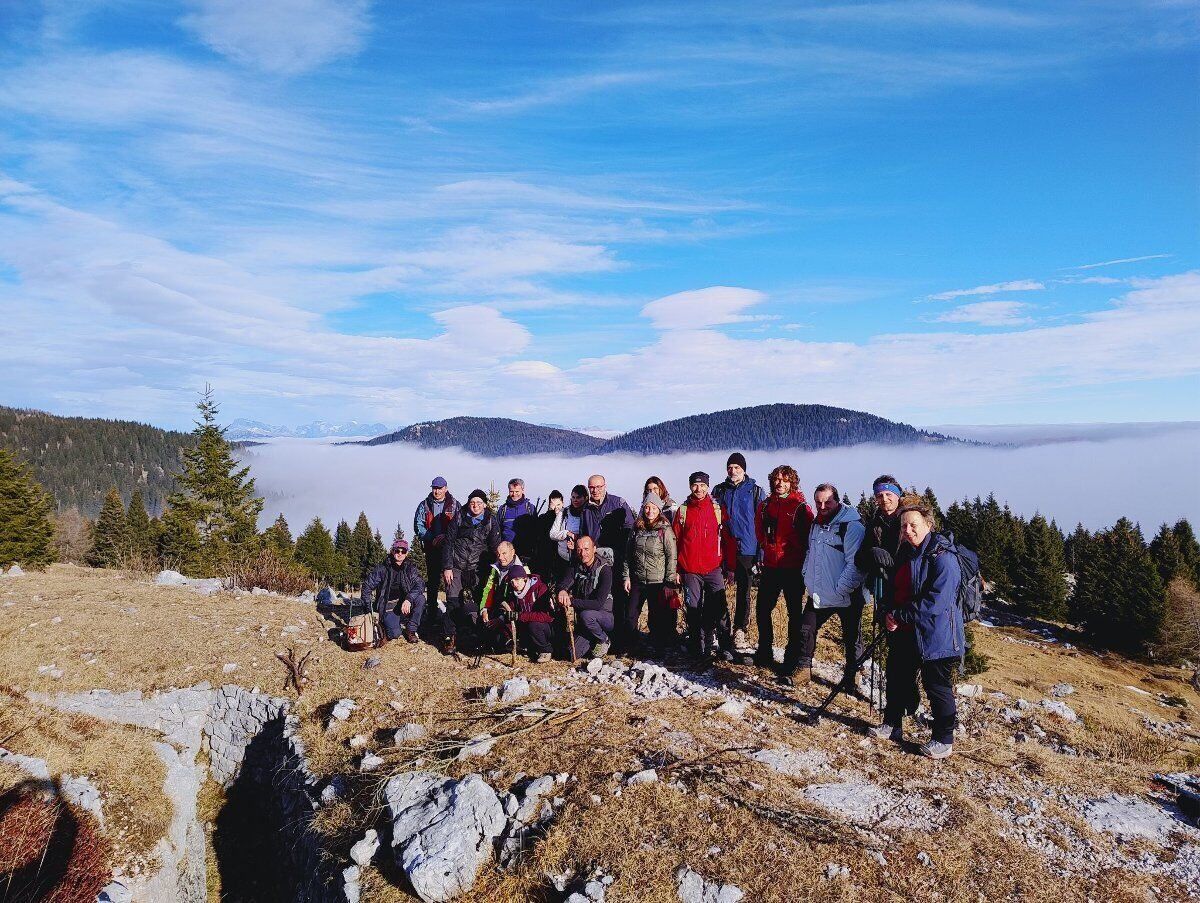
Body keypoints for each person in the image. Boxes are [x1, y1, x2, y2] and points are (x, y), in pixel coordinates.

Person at [869, 495, 963, 759]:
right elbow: (894, 589)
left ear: (928, 525)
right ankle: (892, 724)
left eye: (913, 525)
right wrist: (888, 613)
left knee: (937, 687)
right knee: (897, 677)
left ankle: (944, 739)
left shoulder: (944, 558)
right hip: (906, 630)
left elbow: (937, 602)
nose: (907, 531)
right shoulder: (906, 554)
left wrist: (900, 615)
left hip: (937, 635)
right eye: (903, 527)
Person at [780, 483, 866, 687]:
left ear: (837, 500)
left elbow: (856, 564)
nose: (823, 506)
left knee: (851, 636)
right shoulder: (816, 524)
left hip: (847, 593)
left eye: (828, 501)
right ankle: (803, 670)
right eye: (818, 502)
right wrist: (807, 576)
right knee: (806, 628)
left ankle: (852, 676)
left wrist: (840, 589)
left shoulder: (851, 526)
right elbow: (811, 553)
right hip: (819, 590)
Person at [754, 465, 813, 669]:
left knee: (794, 614)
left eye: (785, 480)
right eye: (777, 479)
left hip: (792, 568)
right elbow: (759, 532)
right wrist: (766, 547)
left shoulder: (800, 507)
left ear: (792, 483)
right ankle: (764, 651)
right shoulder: (764, 506)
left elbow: (808, 538)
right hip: (771, 566)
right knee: (762, 609)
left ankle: (792, 656)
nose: (780, 483)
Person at [674, 471, 736, 664]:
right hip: (690, 569)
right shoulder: (683, 511)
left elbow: (728, 540)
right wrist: (676, 570)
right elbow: (676, 541)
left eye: (702, 485)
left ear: (708, 487)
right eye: (695, 485)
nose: (698, 489)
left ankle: (726, 646)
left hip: (713, 568)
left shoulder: (717, 509)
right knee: (693, 609)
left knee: (720, 607)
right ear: (690, 486)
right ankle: (697, 648)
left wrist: (730, 568)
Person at [711, 453, 765, 651]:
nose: (733, 471)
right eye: (730, 467)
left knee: (744, 591)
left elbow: (762, 522)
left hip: (748, 548)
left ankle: (740, 630)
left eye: (736, 467)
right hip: (723, 546)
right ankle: (720, 628)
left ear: (744, 469)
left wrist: (761, 553)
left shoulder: (756, 491)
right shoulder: (719, 490)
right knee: (717, 588)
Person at [439, 488, 501, 654]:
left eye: (479, 503)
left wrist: (497, 567)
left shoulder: (490, 520)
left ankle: (482, 635)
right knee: (452, 602)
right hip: (457, 566)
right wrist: (447, 567)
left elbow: (495, 545)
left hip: (478, 568)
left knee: (482, 602)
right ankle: (449, 639)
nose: (475, 506)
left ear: (485, 505)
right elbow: (448, 543)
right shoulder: (459, 517)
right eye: (472, 502)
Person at [579, 474, 635, 650]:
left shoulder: (617, 503)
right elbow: (584, 534)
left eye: (598, 487)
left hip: (616, 562)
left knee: (620, 601)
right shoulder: (586, 509)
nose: (595, 490)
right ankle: (600, 637)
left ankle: (621, 641)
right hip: (595, 563)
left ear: (605, 486)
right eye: (592, 488)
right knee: (601, 600)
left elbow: (629, 530)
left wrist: (622, 556)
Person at [623, 490, 679, 654]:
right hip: (638, 580)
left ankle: (657, 646)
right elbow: (628, 555)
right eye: (647, 507)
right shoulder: (636, 528)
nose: (650, 511)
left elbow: (672, 557)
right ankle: (631, 645)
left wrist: (669, 583)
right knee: (631, 615)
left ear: (659, 510)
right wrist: (626, 576)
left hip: (658, 581)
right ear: (643, 508)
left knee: (657, 617)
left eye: (654, 508)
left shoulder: (665, 530)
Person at [557, 536, 615, 659]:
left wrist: (571, 602)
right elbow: (565, 582)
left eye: (586, 549)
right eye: (579, 550)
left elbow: (598, 604)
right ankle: (592, 640)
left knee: (587, 615)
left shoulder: (605, 570)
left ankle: (604, 639)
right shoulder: (576, 566)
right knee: (571, 655)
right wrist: (562, 591)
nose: (583, 553)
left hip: (604, 617)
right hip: (584, 621)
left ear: (594, 549)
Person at [360, 539, 426, 642]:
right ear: (392, 551)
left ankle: (411, 630)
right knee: (394, 634)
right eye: (397, 551)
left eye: (403, 551)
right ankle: (387, 623)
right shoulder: (382, 569)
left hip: (404, 603)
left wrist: (409, 599)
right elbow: (367, 586)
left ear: (406, 553)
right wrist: (368, 611)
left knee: (420, 599)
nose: (400, 554)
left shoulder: (410, 568)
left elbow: (420, 584)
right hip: (388, 606)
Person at [855, 475, 906, 608]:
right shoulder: (874, 524)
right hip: (884, 588)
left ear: (898, 495)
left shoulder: (910, 519)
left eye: (888, 494)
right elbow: (859, 559)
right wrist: (871, 553)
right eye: (879, 495)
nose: (884, 499)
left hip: (909, 585)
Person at [413, 476, 458, 617]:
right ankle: (432, 611)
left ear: (446, 488)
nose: (437, 491)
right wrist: (431, 538)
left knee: (450, 580)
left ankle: (452, 612)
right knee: (432, 581)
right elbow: (418, 525)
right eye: (434, 488)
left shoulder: (455, 505)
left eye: (439, 488)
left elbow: (460, 525)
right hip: (431, 548)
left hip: (449, 549)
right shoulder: (424, 505)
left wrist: (446, 537)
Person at [498, 565, 557, 663]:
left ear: (525, 578)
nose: (515, 584)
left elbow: (546, 616)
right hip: (526, 628)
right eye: (512, 581)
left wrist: (519, 616)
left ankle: (546, 650)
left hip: (545, 627)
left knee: (534, 625)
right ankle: (521, 646)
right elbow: (510, 614)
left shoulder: (540, 588)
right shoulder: (513, 594)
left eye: (517, 579)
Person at [497, 478, 539, 561]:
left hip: (526, 553)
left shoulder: (530, 508)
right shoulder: (503, 509)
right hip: (507, 554)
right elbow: (498, 530)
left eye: (517, 491)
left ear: (522, 490)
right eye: (511, 491)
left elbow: (536, 530)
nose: (514, 494)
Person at [533, 490, 566, 586]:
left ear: (563, 503)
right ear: (549, 504)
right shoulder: (543, 519)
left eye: (558, 505)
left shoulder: (567, 517)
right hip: (546, 557)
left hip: (562, 557)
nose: (556, 508)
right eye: (553, 505)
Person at [550, 484, 587, 568]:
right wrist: (567, 533)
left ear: (585, 498)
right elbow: (552, 534)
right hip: (563, 557)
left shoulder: (589, 513)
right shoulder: (564, 512)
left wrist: (577, 538)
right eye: (573, 497)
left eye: (578, 497)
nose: (575, 500)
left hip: (582, 556)